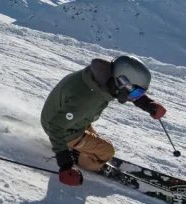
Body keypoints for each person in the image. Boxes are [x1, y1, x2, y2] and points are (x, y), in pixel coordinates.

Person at [40, 55, 166, 186]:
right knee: (107, 151)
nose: (133, 98)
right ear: (122, 82)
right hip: (61, 128)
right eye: (136, 94)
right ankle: (77, 155)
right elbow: (55, 127)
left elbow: (127, 90)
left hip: (72, 119)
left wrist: (148, 104)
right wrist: (65, 164)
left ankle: (81, 148)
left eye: (139, 94)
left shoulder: (103, 79)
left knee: (97, 143)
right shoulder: (86, 99)